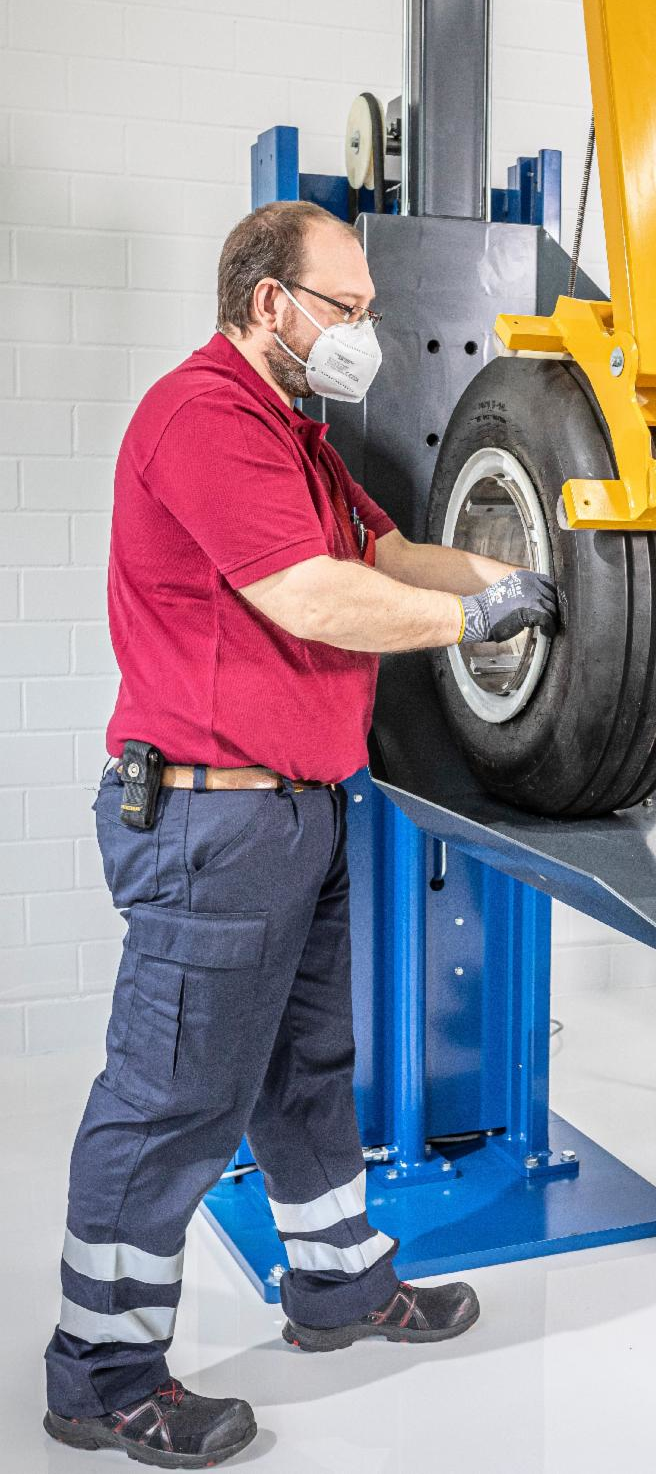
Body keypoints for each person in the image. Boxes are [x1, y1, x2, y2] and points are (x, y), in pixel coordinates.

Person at [44, 201, 560, 1467]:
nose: (364, 330)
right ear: (270, 302)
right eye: (346, 306)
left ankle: (335, 1285)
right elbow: (315, 594)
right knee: (174, 1098)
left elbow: (386, 550)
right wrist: (466, 626)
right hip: (213, 816)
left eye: (369, 309)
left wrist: (508, 581)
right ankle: (101, 1371)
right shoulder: (203, 415)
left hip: (298, 809)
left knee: (303, 1070)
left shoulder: (296, 434)